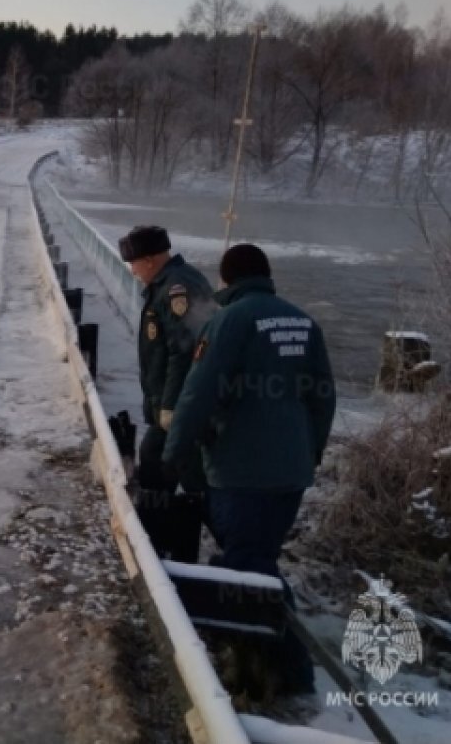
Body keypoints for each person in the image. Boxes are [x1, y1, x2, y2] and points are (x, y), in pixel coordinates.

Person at [163, 243, 337, 695]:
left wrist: (173, 453)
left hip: (242, 471)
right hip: (291, 473)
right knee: (256, 558)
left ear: (226, 280)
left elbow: (198, 394)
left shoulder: (229, 321)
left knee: (248, 568)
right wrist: (308, 454)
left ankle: (292, 670)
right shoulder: (303, 321)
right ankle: (252, 658)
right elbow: (322, 398)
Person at [118, 225, 215, 562]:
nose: (131, 271)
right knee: (175, 472)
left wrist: (171, 408)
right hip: (173, 407)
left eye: (134, 263)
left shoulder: (177, 288)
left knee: (168, 469)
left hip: (179, 409)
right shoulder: (168, 284)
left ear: (150, 260)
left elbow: (185, 351)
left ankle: (163, 547)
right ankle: (160, 543)